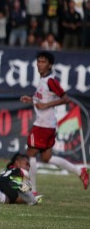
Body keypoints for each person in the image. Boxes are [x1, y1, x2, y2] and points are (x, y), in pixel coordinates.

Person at [20, 51, 89, 193]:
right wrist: (31, 99)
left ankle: (32, 190)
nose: (40, 64)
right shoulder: (43, 79)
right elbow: (43, 98)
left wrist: (45, 106)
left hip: (42, 125)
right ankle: (79, 170)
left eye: (43, 62)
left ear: (50, 65)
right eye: (38, 61)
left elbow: (65, 98)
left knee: (30, 154)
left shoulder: (51, 81)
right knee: (47, 158)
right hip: (48, 125)